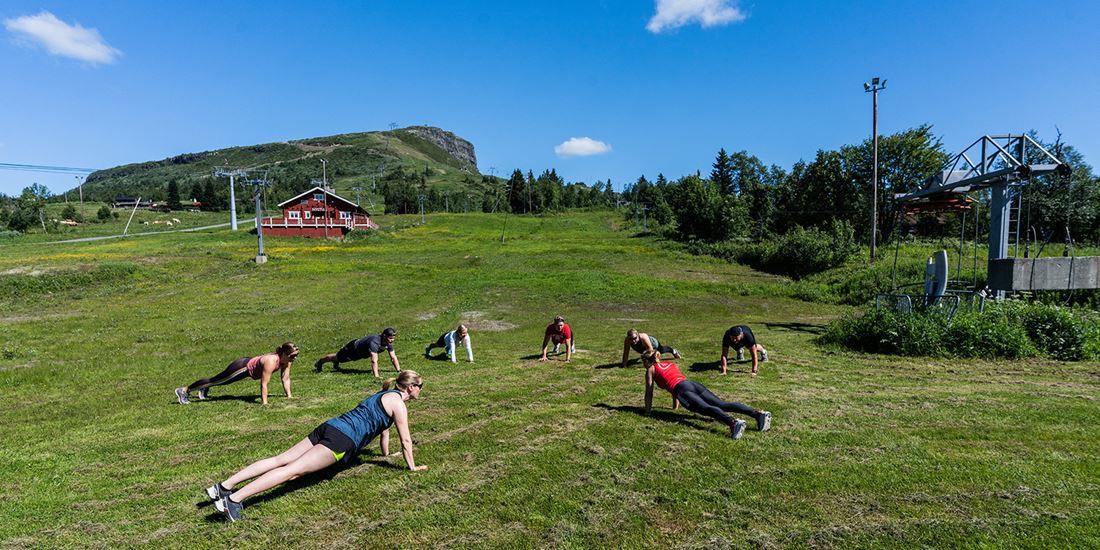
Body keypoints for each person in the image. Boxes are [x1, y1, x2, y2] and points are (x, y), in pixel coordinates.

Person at [208, 371, 428, 522]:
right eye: (420, 386)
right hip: (342, 440)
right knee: (291, 471)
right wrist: (412, 467)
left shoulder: (383, 393)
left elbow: (383, 430)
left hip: (330, 426)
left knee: (281, 459)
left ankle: (223, 487)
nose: (421, 390)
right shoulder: (399, 404)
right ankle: (233, 501)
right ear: (410, 387)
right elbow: (406, 440)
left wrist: (386, 455)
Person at [642, 350, 771, 440]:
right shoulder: (670, 364)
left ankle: (733, 423)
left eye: (643, 362)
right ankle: (758, 414)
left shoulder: (651, 369)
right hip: (691, 384)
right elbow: (671, 381)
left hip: (681, 389)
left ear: (647, 361)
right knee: (722, 404)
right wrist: (675, 407)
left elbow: (649, 392)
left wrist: (647, 412)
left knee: (705, 408)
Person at [175, 342, 298, 405]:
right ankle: (184, 390)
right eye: (293, 356)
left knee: (217, 380)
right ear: (284, 354)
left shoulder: (287, 361)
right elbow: (264, 384)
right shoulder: (271, 361)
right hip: (242, 367)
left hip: (247, 366)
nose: (295, 358)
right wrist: (264, 403)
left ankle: (203, 389)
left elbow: (285, 378)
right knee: (217, 380)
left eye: (296, 356)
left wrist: (289, 396)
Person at [314, 328, 400, 377]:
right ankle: (320, 362)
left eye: (393, 338)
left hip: (359, 354)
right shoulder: (374, 342)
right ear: (384, 336)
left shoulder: (388, 343)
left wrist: (398, 371)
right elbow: (374, 360)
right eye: (390, 338)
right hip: (352, 348)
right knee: (337, 357)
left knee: (341, 359)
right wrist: (376, 377)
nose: (392, 340)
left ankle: (336, 362)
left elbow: (393, 357)